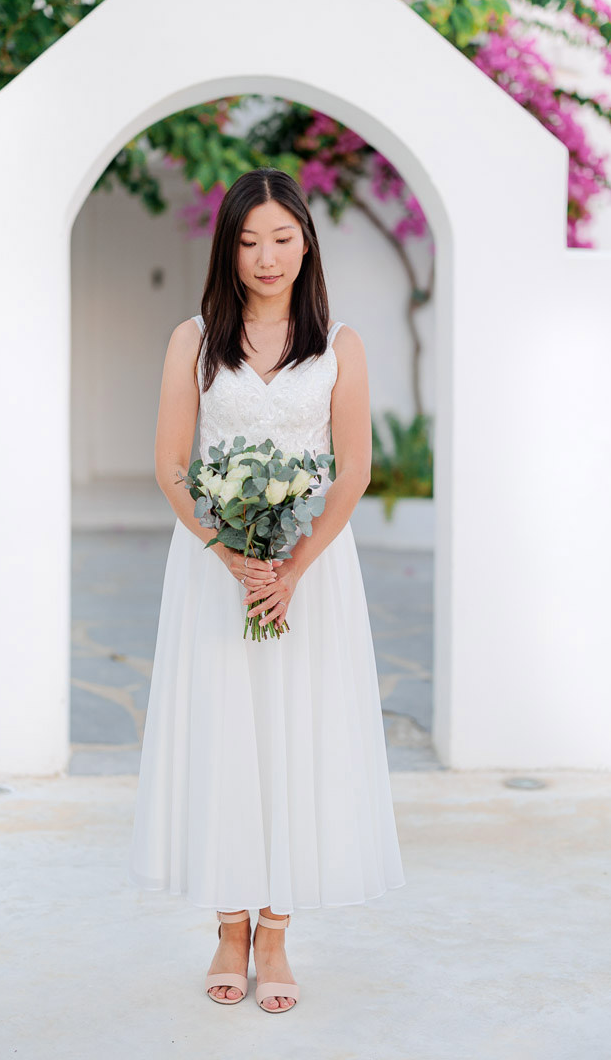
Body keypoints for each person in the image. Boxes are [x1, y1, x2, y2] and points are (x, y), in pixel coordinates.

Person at [128, 167, 405, 1013]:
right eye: (249, 241)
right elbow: (173, 466)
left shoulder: (341, 346)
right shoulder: (194, 339)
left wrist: (290, 567)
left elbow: (353, 471)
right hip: (217, 574)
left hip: (309, 578)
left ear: (307, 242)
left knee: (296, 736)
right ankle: (227, 926)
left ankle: (277, 936)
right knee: (225, 733)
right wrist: (232, 554)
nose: (266, 255)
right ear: (228, 248)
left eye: (282, 237)